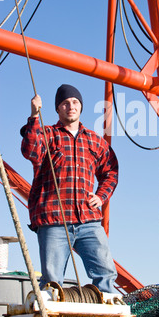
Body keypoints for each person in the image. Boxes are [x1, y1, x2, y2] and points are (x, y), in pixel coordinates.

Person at [21, 84, 119, 296]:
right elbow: (30, 151)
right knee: (51, 281)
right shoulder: (47, 134)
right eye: (65, 103)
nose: (70, 106)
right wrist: (34, 115)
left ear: (81, 107)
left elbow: (111, 171)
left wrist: (101, 197)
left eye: (75, 102)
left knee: (106, 272)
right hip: (54, 220)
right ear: (58, 109)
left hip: (88, 220)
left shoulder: (95, 141)